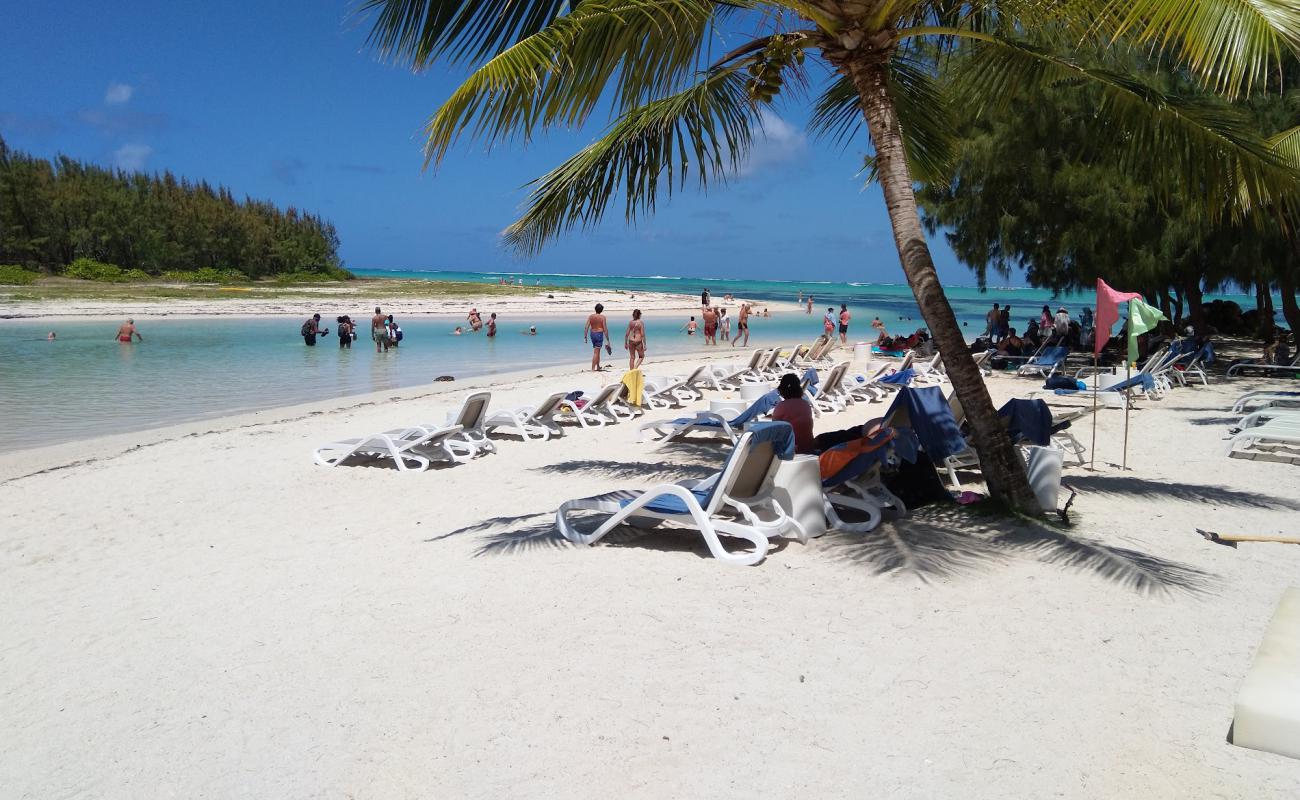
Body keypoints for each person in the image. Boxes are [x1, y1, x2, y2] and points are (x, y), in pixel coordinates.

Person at [772, 373, 815, 455]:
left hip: (793, 449)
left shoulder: (781, 406)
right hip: (808, 447)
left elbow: (775, 431)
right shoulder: (805, 405)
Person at [584, 303, 610, 371]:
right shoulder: (602, 317)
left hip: (592, 334)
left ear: (595, 309)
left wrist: (585, 336)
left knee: (597, 351)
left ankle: (598, 366)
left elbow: (586, 327)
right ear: (601, 310)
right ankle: (593, 368)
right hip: (599, 334)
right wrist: (608, 339)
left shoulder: (591, 316)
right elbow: (605, 329)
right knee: (596, 352)